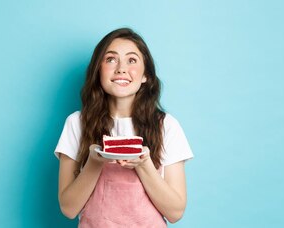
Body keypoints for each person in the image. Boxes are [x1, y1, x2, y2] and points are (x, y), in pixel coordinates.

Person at [54, 28, 194, 227]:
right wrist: (94, 162)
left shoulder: (167, 126)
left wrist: (144, 165)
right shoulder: (76, 123)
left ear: (146, 75)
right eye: (110, 59)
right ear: (98, 71)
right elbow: (68, 208)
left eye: (132, 60)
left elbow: (175, 212)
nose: (121, 68)